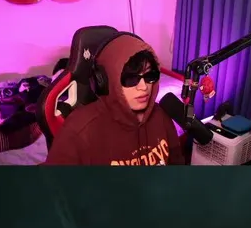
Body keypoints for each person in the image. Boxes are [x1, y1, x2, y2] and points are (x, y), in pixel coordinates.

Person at [43, 33, 185, 166]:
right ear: (105, 81)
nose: (144, 87)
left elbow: (176, 164)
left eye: (149, 76)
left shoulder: (160, 115)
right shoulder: (78, 130)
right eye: (131, 79)